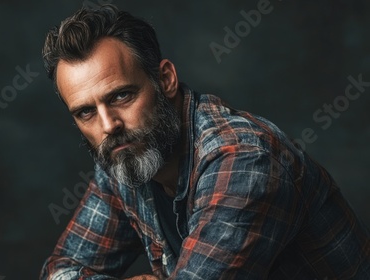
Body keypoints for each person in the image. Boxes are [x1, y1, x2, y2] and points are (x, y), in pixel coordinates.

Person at [40, 4, 370, 279]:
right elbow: (61, 270)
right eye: (86, 113)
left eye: (122, 95)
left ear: (165, 79)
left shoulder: (244, 160)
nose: (108, 125)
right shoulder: (125, 154)